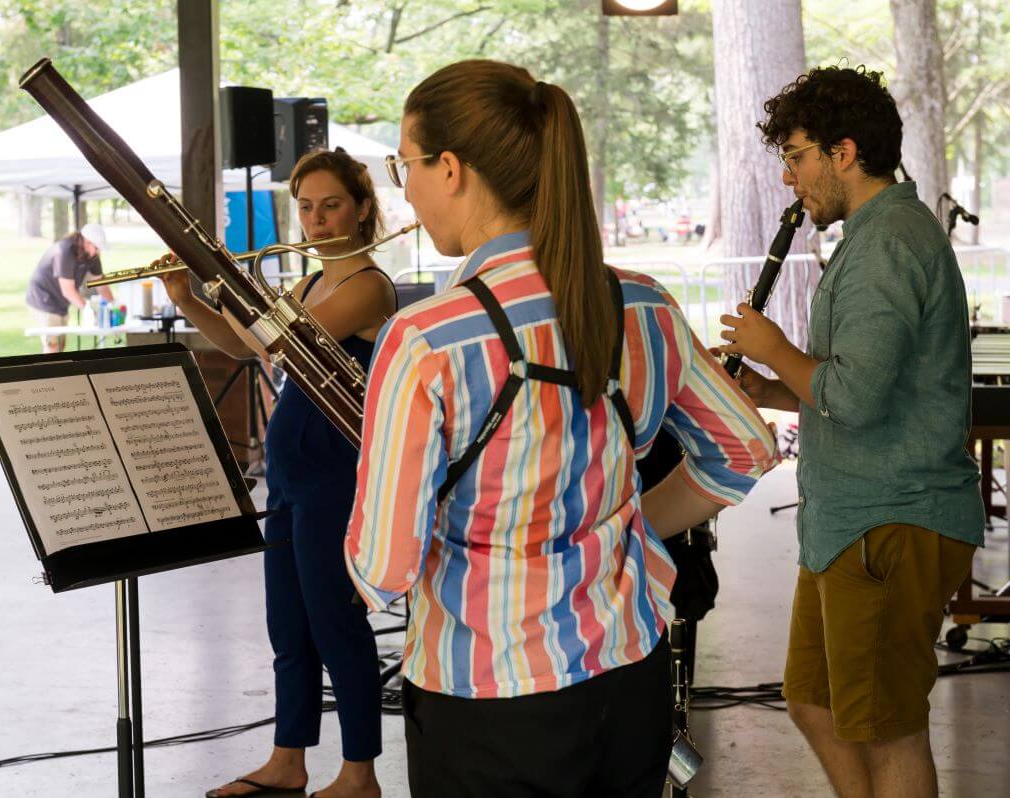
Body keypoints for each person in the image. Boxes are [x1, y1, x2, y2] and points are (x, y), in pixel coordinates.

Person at [344, 59, 777, 798]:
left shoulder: (426, 337)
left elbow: (382, 568)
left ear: (449, 169)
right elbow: (746, 448)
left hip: (485, 698)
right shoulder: (642, 304)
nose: (404, 186)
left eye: (404, 164)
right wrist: (627, 522)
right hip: (628, 677)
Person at [717, 66, 983, 798]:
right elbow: (856, 387)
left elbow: (857, 398)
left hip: (890, 521)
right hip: (851, 522)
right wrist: (771, 385)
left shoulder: (888, 244)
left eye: (798, 156)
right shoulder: (873, 237)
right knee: (812, 701)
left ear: (843, 152)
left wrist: (773, 348)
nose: (789, 178)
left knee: (889, 728)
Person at [160, 149, 394, 798]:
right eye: (308, 208)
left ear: (363, 208)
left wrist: (231, 283)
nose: (317, 221)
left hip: (334, 480)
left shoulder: (369, 285)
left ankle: (359, 775)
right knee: (288, 630)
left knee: (336, 625)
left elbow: (282, 341)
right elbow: (241, 345)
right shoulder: (309, 286)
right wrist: (189, 298)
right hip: (289, 480)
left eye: (332, 205)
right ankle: (287, 762)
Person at [25, 222, 114, 353]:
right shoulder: (64, 251)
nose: (97, 252)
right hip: (43, 299)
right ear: (86, 242)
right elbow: (68, 291)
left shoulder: (92, 255)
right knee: (52, 346)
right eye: (96, 247)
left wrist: (113, 305)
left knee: (61, 346)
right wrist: (88, 309)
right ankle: (50, 373)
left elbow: (101, 283)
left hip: (61, 303)